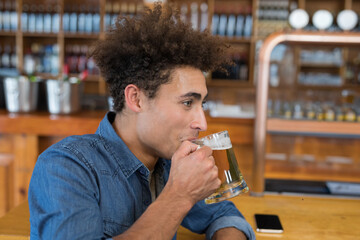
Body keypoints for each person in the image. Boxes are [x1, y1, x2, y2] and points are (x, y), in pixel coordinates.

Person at [28, 2, 255, 240]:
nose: (202, 123)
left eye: (202, 104)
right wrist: (179, 196)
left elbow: (224, 215)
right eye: (188, 103)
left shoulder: (169, 163)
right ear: (136, 99)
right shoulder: (67, 167)